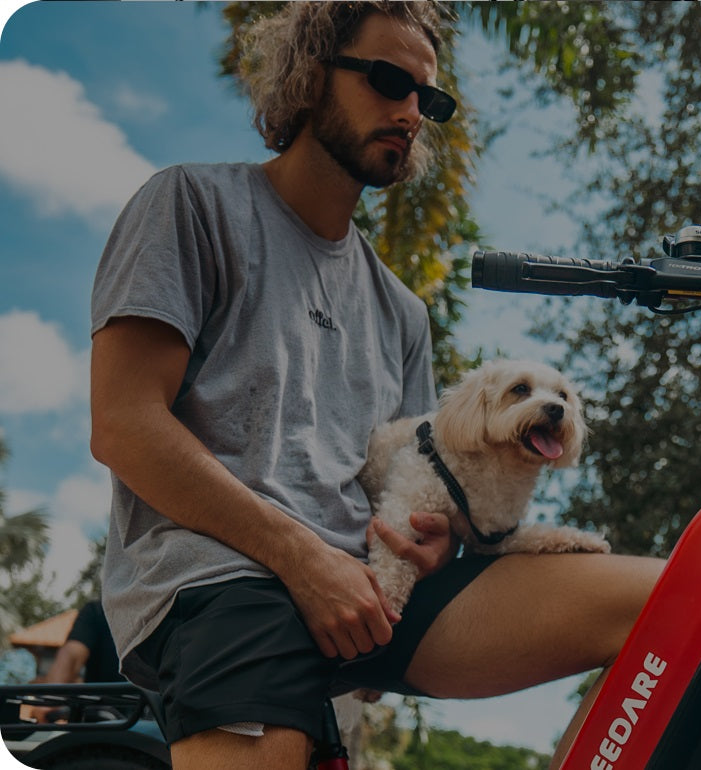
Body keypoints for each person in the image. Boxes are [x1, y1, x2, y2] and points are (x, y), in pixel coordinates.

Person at [88, 3, 664, 769]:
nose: (409, 113)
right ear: (307, 74)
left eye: (427, 99)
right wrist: (304, 561)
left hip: (370, 592)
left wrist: (430, 542)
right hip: (224, 577)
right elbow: (123, 425)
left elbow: (408, 482)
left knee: (677, 601)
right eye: (389, 80)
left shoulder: (402, 312)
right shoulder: (192, 204)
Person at [30, 600, 122, 723]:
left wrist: (50, 700)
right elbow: (72, 655)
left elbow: (72, 656)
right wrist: (51, 699)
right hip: (104, 718)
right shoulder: (99, 610)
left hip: (109, 722)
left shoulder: (99, 609)